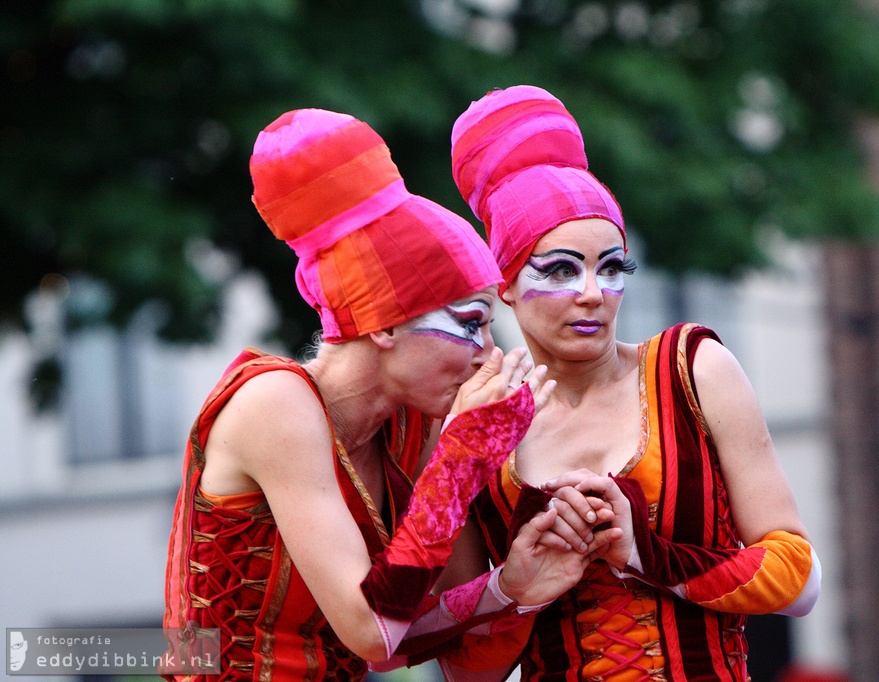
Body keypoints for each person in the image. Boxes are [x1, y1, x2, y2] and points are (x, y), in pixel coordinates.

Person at [162, 107, 607, 681]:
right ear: (384, 325)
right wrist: (462, 461)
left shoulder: (412, 421)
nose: (489, 354)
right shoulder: (274, 401)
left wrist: (509, 586)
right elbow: (371, 631)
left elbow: (406, 635)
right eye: (472, 322)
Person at [445, 85, 823, 681]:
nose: (593, 293)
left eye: (612, 266)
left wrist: (645, 554)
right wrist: (517, 588)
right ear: (506, 284)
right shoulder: (476, 422)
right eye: (561, 270)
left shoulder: (691, 369)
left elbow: (800, 577)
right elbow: (466, 670)